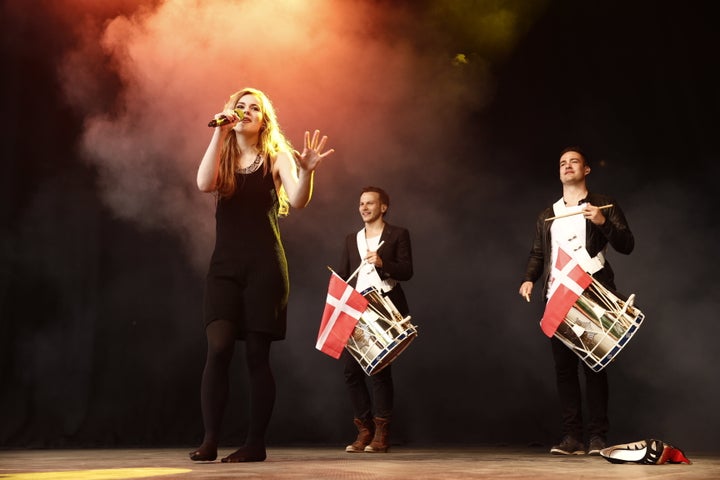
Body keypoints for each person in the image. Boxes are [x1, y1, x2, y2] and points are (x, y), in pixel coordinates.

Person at [189, 87, 334, 463]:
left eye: (255, 108)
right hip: (225, 268)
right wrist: (219, 130)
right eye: (241, 106)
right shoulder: (222, 153)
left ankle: (255, 444)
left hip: (265, 267)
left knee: (257, 355)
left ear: (264, 119)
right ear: (231, 114)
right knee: (218, 347)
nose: (247, 111)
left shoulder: (276, 157)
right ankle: (209, 441)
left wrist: (307, 171)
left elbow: (298, 199)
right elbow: (204, 183)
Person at [518, 147, 634, 456]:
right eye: (562, 163)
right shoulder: (547, 213)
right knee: (564, 370)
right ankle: (572, 438)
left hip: (592, 292)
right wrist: (529, 277)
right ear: (559, 172)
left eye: (574, 162)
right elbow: (539, 254)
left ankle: (598, 437)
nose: (567, 166)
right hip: (558, 294)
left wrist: (601, 221)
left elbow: (627, 244)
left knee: (595, 366)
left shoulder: (603, 205)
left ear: (586, 170)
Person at [336, 186, 413, 453]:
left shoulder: (398, 234)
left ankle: (381, 432)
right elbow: (344, 277)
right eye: (361, 203)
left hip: (385, 306)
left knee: (379, 370)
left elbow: (407, 271)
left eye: (370, 203)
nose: (364, 207)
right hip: (358, 308)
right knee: (351, 372)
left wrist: (383, 263)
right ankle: (364, 429)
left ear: (383, 207)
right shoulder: (351, 239)